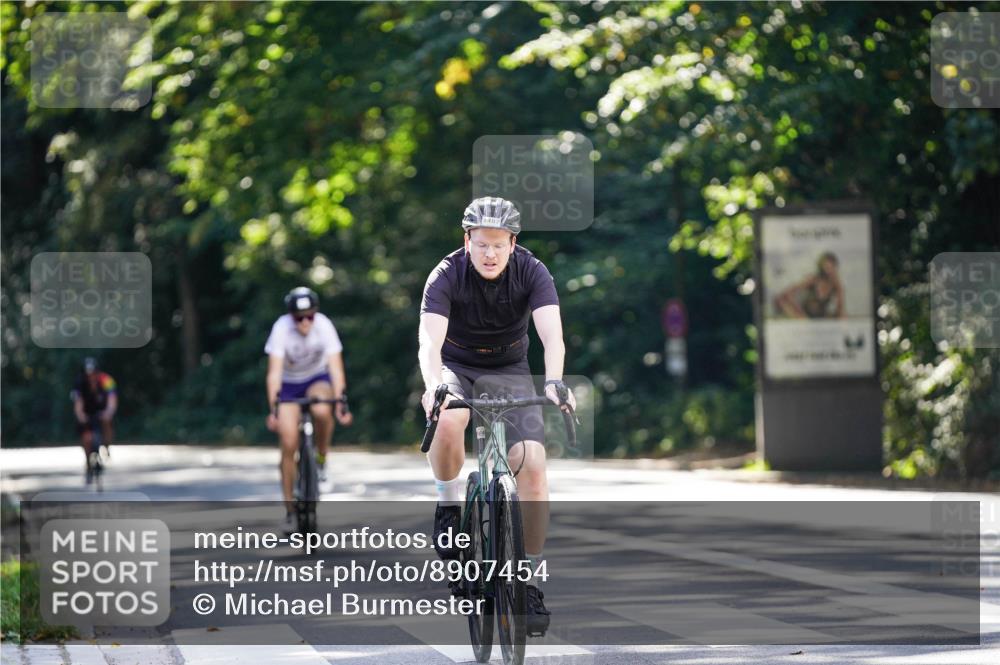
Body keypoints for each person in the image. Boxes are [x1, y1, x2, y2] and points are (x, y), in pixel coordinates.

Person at [418, 196, 576, 637]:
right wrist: (434, 387)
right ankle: (449, 506)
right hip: (458, 367)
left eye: (499, 245)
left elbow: (553, 336)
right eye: (481, 244)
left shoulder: (533, 271)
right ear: (467, 240)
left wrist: (555, 381)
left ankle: (526, 580)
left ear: (512, 244)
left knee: (535, 465)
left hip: (509, 369)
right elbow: (429, 344)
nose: (490, 254)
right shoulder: (447, 274)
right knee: (449, 421)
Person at [265, 286, 352, 533]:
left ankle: (321, 459)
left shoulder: (323, 326)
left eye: (309, 316)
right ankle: (290, 510)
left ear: (315, 314)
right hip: (289, 385)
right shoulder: (282, 328)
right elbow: (273, 374)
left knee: (323, 410)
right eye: (299, 318)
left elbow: (335, 368)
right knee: (289, 441)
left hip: (316, 379)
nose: (305, 322)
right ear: (291, 317)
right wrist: (274, 408)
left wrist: (341, 401)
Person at [71, 357, 117, 482]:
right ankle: (87, 462)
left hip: (102, 412)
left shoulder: (106, 380)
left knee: (106, 422)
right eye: (88, 374)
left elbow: (112, 400)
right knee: (86, 438)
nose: (91, 377)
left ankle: (106, 446)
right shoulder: (79, 383)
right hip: (87, 413)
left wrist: (108, 412)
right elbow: (78, 403)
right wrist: (81, 416)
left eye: (93, 373)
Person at [773, 251, 845, 319]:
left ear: (835, 267)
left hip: (821, 316)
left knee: (842, 317)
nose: (828, 270)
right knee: (780, 300)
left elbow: (840, 307)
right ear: (821, 267)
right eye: (826, 267)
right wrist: (800, 312)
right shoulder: (814, 279)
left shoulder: (837, 284)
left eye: (831, 267)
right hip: (804, 315)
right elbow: (788, 293)